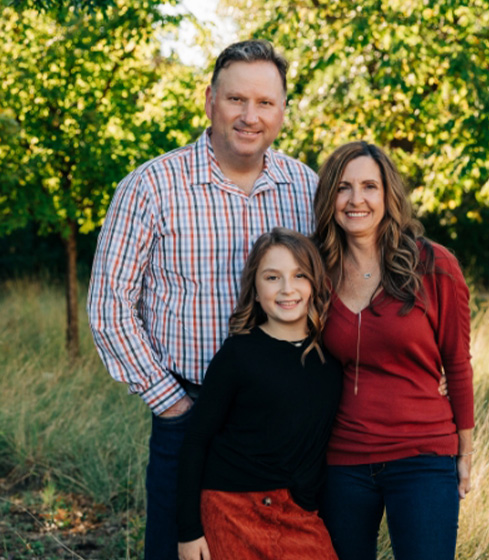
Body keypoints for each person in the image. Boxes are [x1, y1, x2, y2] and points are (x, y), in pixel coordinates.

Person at [86, 40, 319, 560]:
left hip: (283, 419)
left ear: (283, 111)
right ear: (210, 99)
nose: (249, 116)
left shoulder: (306, 187)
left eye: (265, 103)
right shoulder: (150, 187)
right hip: (187, 413)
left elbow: (330, 292)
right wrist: (172, 405)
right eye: (237, 99)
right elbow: (109, 308)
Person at [312, 141, 475, 560]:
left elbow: (457, 364)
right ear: (330, 197)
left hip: (423, 458)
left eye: (370, 186)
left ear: (388, 196)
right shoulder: (316, 271)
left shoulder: (434, 265)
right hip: (343, 460)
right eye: (343, 188)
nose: (356, 200)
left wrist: (466, 451)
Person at [176, 227, 341, 560]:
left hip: (299, 514)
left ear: (314, 284)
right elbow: (196, 441)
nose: (287, 289)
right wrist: (188, 532)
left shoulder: (332, 359)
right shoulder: (238, 354)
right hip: (232, 506)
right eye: (272, 278)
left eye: (299, 275)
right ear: (254, 287)